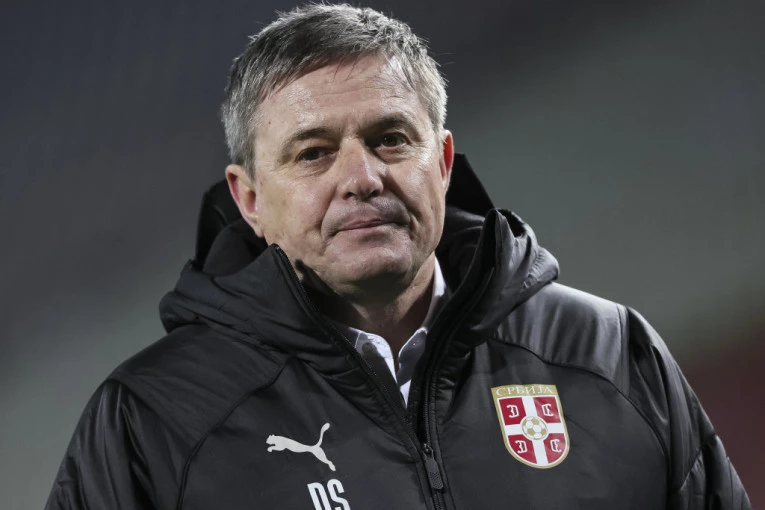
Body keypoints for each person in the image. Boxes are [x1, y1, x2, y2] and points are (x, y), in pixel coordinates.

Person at [46, 4, 750, 509]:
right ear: (250, 199)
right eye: (314, 152)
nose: (362, 178)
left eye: (390, 139)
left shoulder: (610, 356)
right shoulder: (156, 419)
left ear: (441, 162)